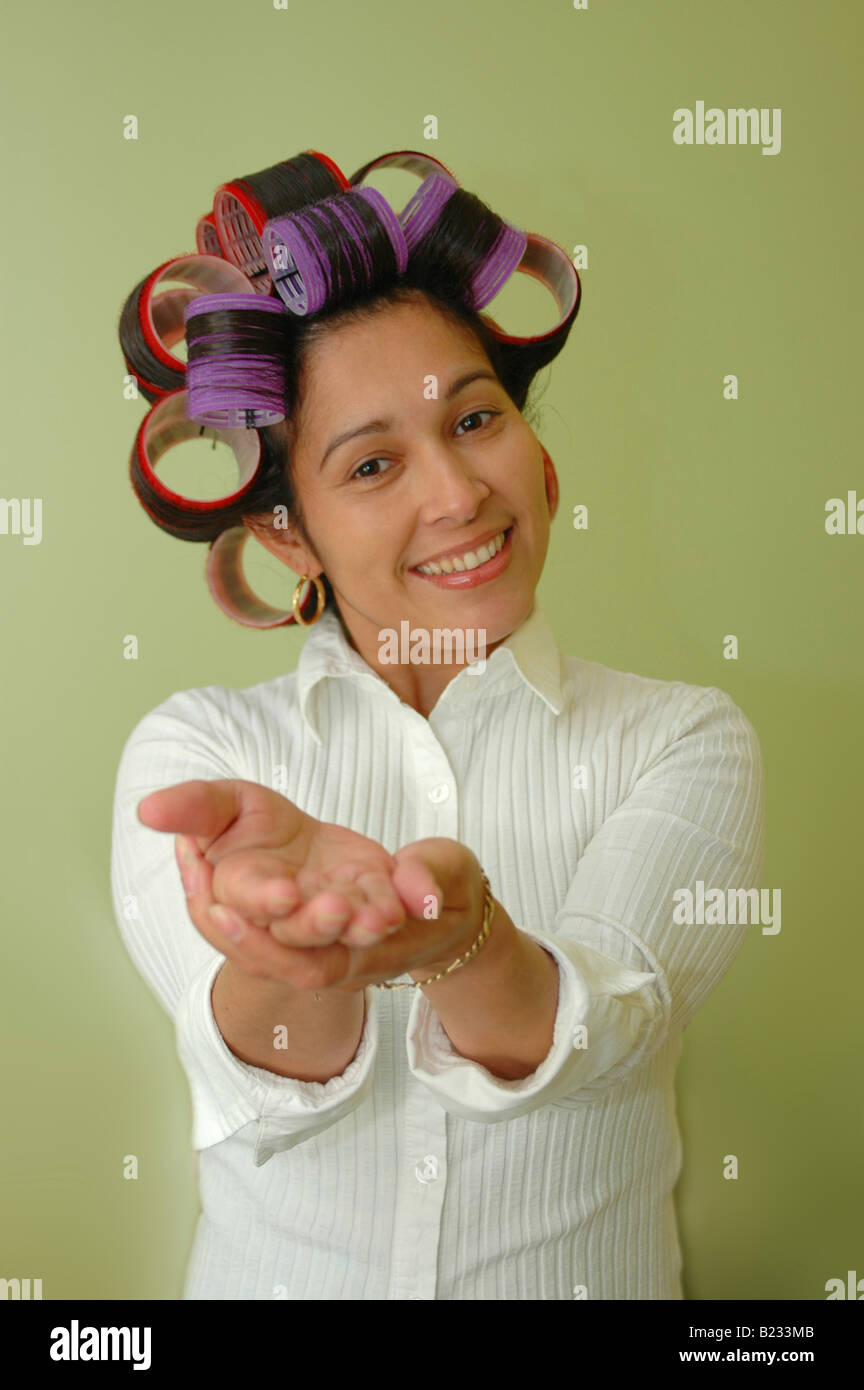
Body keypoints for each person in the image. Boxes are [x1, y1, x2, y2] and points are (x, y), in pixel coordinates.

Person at [110, 148, 765, 1301]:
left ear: (540, 454)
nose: (458, 495)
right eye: (371, 464)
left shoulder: (682, 736)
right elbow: (259, 1092)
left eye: (475, 420)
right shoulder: (197, 758)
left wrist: (461, 942)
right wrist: (305, 954)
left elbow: (602, 1048)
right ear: (289, 540)